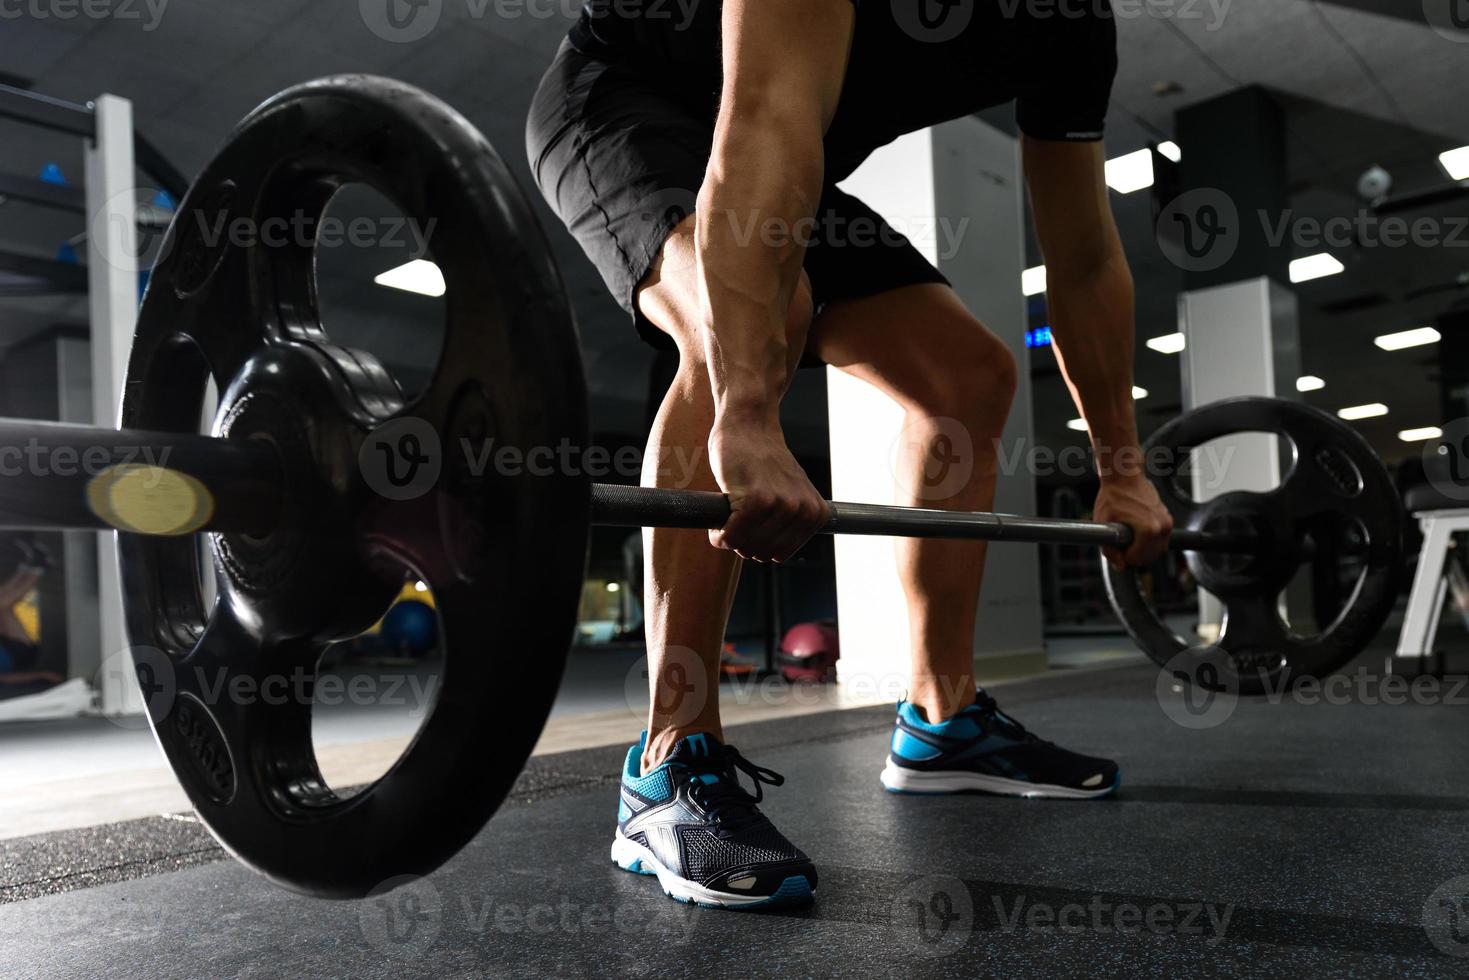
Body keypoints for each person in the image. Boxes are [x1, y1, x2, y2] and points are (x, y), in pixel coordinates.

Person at [526, 0, 1173, 909]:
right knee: (753, 322)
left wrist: (1122, 465)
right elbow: (766, 118)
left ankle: (941, 721)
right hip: (622, 106)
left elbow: (1082, 255)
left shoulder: (1071, 22)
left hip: (781, 150)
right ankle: (667, 763)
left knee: (971, 378)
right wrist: (748, 409)